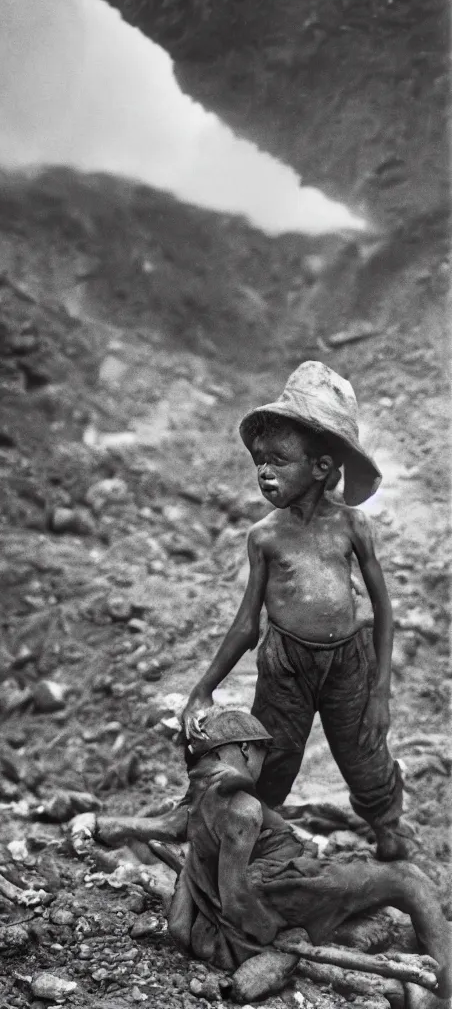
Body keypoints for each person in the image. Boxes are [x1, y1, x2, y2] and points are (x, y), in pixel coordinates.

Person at [181, 361, 406, 860]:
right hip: (285, 667)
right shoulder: (264, 536)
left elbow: (384, 611)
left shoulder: (353, 527)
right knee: (273, 760)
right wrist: (203, 688)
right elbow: (247, 624)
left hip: (350, 663)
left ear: (321, 467)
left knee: (365, 754)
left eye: (279, 459)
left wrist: (380, 693)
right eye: (259, 460)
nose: (264, 470)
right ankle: (257, 840)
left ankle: (389, 832)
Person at [77, 710, 451, 998]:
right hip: (277, 891)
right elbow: (237, 897)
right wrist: (276, 937)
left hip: (264, 889)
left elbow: (163, 827)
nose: (261, 761)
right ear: (243, 749)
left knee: (354, 872)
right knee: (408, 878)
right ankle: (448, 985)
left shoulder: (200, 796)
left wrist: (100, 823)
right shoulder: (241, 807)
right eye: (260, 751)